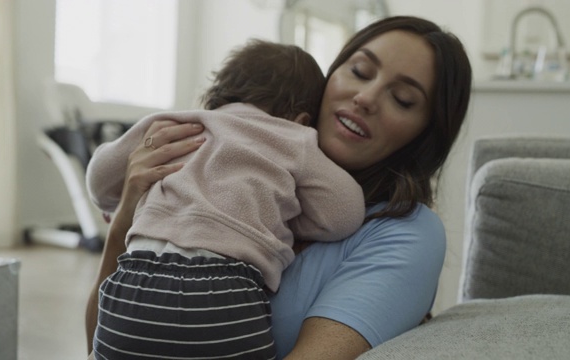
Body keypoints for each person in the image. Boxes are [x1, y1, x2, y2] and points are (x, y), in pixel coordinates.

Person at [85, 15, 472, 359]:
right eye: (359, 71)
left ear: (425, 136)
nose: (366, 98)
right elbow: (98, 343)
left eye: (403, 99)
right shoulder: (196, 164)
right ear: (328, 77)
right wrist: (125, 219)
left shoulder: (406, 233)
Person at [85, 39, 365, 359]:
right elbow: (346, 212)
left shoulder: (173, 124)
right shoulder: (295, 138)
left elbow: (98, 179)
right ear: (302, 119)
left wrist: (116, 202)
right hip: (224, 296)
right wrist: (285, 216)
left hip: (134, 290)